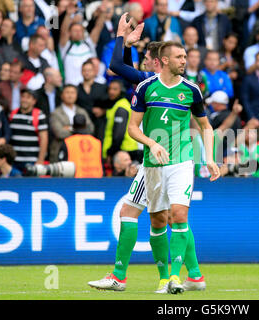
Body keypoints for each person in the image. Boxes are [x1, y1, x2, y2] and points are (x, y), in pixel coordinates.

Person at [89, 17, 208, 293]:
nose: (142, 60)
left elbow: (118, 67)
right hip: (156, 154)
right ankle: (193, 274)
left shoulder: (153, 81)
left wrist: (122, 39)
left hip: (163, 160)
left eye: (145, 56)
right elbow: (126, 70)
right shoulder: (149, 83)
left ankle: (136, 276)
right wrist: (128, 45)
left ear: (158, 61)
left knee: (168, 216)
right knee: (171, 218)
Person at [128, 39, 220, 294]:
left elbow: (206, 127)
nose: (185, 61)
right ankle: (162, 279)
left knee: (179, 215)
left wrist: (210, 158)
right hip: (153, 164)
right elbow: (133, 128)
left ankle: (175, 277)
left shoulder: (192, 90)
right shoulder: (146, 87)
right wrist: (151, 143)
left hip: (182, 161)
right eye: (180, 57)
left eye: (185, 56)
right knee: (157, 221)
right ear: (165, 60)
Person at [49, 85, 94, 163]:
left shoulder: (81, 111)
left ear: (76, 95)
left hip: (80, 152)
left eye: (73, 93)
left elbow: (90, 129)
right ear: (62, 95)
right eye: (67, 92)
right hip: (61, 152)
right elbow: (59, 133)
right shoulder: (55, 113)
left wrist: (69, 128)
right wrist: (80, 129)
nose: (70, 95)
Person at [102, 79, 142, 166]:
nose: (111, 92)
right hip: (123, 149)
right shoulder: (117, 105)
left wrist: (111, 152)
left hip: (124, 151)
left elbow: (118, 134)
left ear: (121, 90)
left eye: (115, 89)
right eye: (110, 89)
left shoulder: (121, 107)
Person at [8, 88, 48, 173]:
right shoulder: (13, 114)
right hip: (14, 161)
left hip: (32, 160)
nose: (24, 100)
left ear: (34, 101)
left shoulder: (39, 115)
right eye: (23, 97)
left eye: (28, 97)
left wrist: (40, 160)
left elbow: (44, 139)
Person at [57, 114, 103, 178]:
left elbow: (62, 166)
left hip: (75, 182)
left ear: (73, 126)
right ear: (86, 125)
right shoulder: (97, 142)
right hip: (96, 181)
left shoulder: (68, 142)